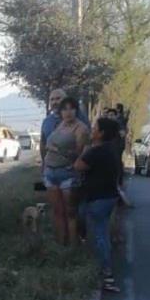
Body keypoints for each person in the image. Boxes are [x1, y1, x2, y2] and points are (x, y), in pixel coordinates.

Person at [74, 118, 120, 278]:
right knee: (102, 233)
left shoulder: (96, 151)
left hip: (98, 199)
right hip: (109, 197)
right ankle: (104, 265)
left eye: (95, 128)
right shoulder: (110, 149)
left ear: (101, 133)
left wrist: (85, 148)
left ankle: (103, 269)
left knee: (98, 234)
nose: (91, 130)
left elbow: (78, 165)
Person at [43, 97, 90, 246]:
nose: (68, 112)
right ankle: (60, 244)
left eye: (71, 108)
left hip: (67, 174)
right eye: (64, 109)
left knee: (70, 212)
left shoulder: (81, 128)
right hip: (50, 172)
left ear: (76, 110)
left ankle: (72, 246)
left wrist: (57, 149)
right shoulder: (60, 125)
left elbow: (79, 153)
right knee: (57, 211)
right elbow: (46, 144)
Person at [40, 88, 90, 162]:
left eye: (58, 98)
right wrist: (44, 163)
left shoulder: (79, 118)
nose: (55, 102)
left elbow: (86, 145)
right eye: (52, 99)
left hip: (70, 168)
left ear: (66, 100)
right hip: (50, 169)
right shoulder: (46, 121)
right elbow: (43, 143)